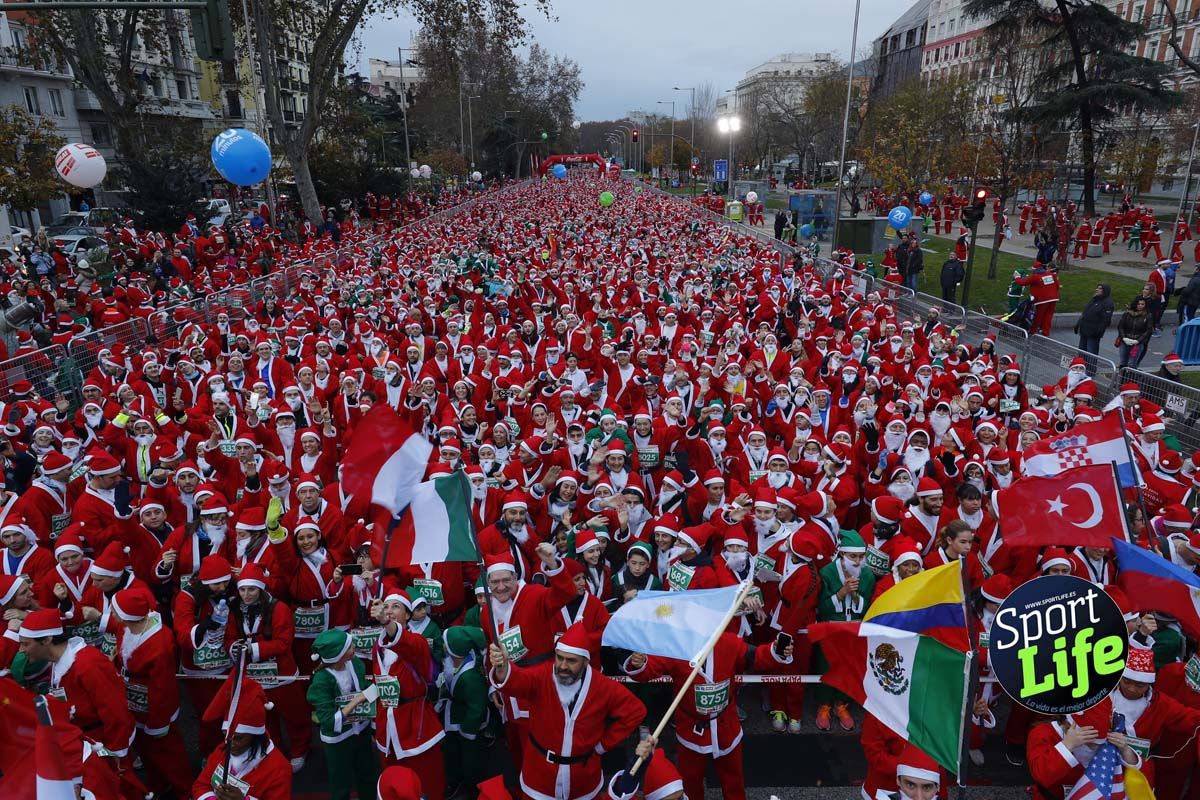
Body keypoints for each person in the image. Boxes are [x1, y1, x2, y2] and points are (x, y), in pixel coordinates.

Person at [488, 623, 646, 800]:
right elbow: (516, 680)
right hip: (539, 778)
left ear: (586, 662)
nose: (563, 666)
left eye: (571, 661)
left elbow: (635, 711)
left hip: (584, 780)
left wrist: (602, 745)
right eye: (559, 657)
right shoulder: (542, 676)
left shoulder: (603, 686)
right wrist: (502, 668)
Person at [306, 628, 380, 800]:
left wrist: (376, 691)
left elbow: (366, 692)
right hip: (338, 741)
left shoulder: (355, 664)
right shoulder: (321, 681)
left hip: (361, 730)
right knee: (340, 781)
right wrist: (356, 701)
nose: (354, 648)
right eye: (349, 647)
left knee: (368, 773)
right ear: (336, 655)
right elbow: (329, 722)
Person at [1074, 283, 1114, 356]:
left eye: (1100, 288)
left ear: (1105, 290)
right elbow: (1085, 313)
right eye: (1097, 288)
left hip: (1093, 334)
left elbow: (1105, 320)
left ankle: (1090, 367)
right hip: (1084, 330)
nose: (1097, 289)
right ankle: (1081, 367)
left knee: (1091, 353)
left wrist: (1097, 332)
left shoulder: (1108, 303)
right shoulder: (1094, 299)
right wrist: (1078, 324)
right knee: (1081, 351)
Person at [1117, 296, 1154, 370]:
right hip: (1125, 341)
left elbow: (1148, 330)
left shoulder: (1148, 315)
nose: (1140, 306)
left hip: (1137, 343)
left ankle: (1130, 379)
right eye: (1138, 304)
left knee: (1132, 364)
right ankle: (1122, 379)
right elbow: (1120, 326)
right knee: (1122, 362)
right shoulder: (1127, 314)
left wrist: (1138, 340)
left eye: (1142, 304)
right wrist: (1124, 337)